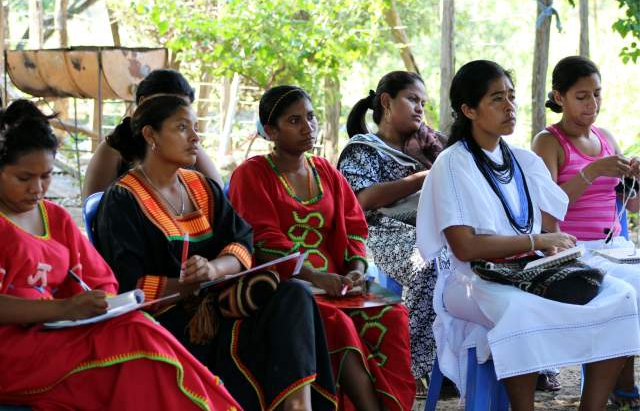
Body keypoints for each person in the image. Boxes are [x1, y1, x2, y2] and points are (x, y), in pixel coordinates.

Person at [416, 60, 640, 411]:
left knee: (621, 296)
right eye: (497, 99)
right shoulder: (452, 163)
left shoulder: (522, 160)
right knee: (519, 310)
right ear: (468, 109)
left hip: (528, 268)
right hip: (469, 279)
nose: (510, 107)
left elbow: (550, 220)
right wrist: (537, 242)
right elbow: (464, 246)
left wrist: (553, 242)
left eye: (512, 97)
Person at [94, 94, 336, 411]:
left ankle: (298, 407)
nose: (195, 137)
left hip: (221, 307)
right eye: (182, 128)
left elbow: (241, 240)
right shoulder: (122, 199)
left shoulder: (200, 186)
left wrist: (213, 270)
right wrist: (185, 285)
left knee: (293, 295)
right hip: (170, 322)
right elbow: (127, 284)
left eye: (195, 127)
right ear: (150, 135)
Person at [0, 100, 239, 410]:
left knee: (138, 333)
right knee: (136, 344)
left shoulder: (55, 218)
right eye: (24, 178)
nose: (37, 188)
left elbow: (103, 282)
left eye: (46, 176)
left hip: (60, 337)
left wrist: (97, 303)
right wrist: (63, 309)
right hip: (13, 352)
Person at [229, 85, 415, 411]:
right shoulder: (252, 174)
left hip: (337, 284)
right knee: (337, 325)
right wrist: (316, 277)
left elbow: (354, 224)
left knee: (393, 314)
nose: (308, 127)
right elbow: (264, 240)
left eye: (311, 117)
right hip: (288, 289)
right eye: (294, 120)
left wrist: (356, 270)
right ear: (271, 131)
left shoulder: (325, 170)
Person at [532, 55, 640, 408]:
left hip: (615, 246)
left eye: (597, 94)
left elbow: (631, 205)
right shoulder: (548, 142)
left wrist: (635, 179)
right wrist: (591, 172)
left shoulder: (606, 137)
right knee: (628, 289)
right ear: (559, 97)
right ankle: (621, 389)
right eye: (581, 96)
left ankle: (622, 387)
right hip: (572, 250)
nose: (592, 104)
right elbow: (549, 212)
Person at [337, 71, 446, 390]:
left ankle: (455, 362)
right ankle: (411, 366)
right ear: (386, 102)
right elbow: (362, 198)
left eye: (423, 102)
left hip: (434, 228)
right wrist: (419, 179)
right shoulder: (363, 148)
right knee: (428, 264)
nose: (419, 108)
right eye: (412, 99)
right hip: (383, 233)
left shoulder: (427, 146)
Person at [82, 68, 222, 199]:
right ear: (143, 103)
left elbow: (218, 195)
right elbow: (93, 208)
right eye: (169, 108)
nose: (193, 136)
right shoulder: (115, 147)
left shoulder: (190, 145)